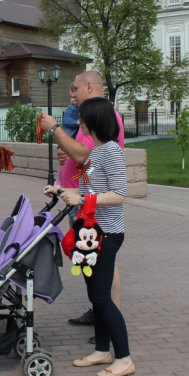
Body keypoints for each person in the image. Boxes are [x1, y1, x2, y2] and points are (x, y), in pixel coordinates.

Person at [45, 97, 134, 376]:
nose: (78, 122)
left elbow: (119, 195)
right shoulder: (95, 152)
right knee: (95, 295)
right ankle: (102, 351)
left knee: (102, 298)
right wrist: (61, 191)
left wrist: (82, 198)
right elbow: (89, 191)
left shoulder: (111, 151)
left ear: (93, 121)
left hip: (107, 233)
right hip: (92, 233)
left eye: (82, 118)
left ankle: (124, 359)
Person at [40, 71, 125, 332]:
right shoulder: (89, 119)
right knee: (90, 262)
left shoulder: (102, 118)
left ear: (89, 86)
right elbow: (81, 155)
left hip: (93, 209)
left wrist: (54, 129)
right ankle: (101, 312)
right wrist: (63, 175)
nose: (72, 95)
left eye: (75, 89)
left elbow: (84, 154)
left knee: (103, 265)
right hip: (79, 200)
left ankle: (109, 316)